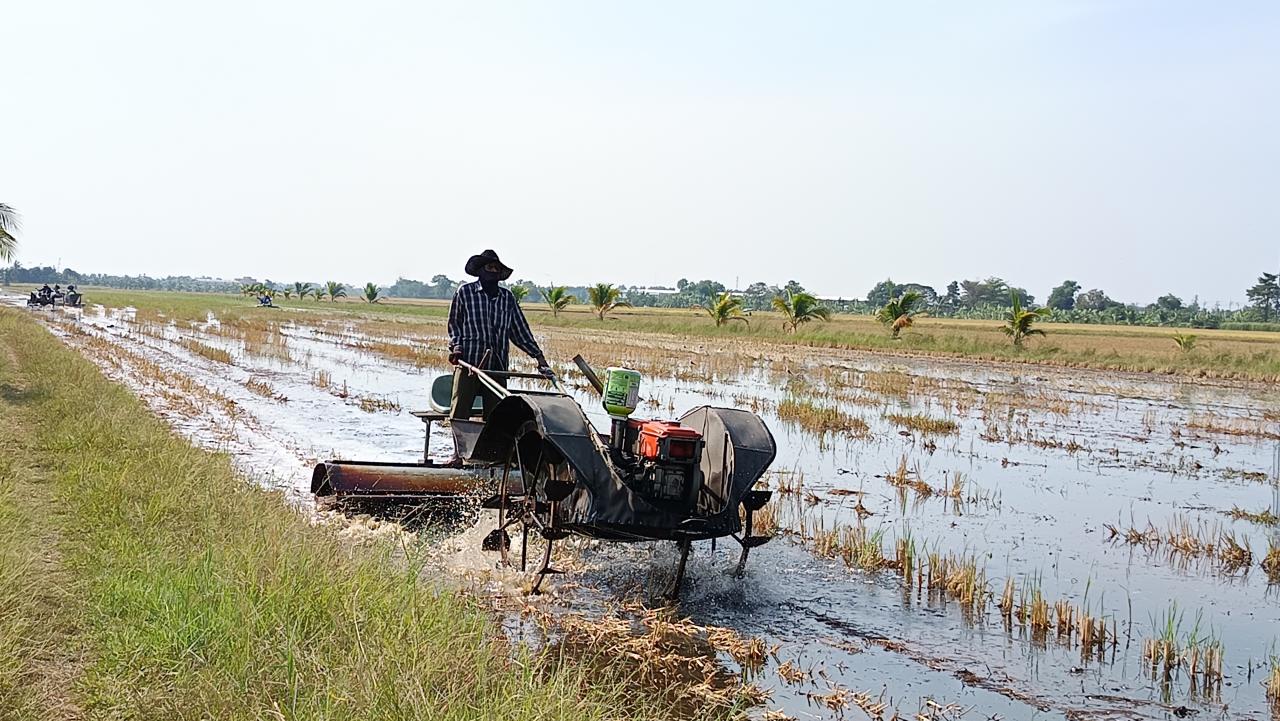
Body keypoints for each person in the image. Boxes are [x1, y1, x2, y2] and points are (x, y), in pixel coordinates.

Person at [446, 249, 549, 420]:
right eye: (489, 267)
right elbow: (454, 324)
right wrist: (456, 347)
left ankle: (490, 447)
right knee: (459, 414)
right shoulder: (465, 293)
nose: (493, 271)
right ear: (480, 271)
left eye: (496, 269)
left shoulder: (507, 298)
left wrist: (538, 356)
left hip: (497, 366)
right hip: (469, 364)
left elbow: (520, 331)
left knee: (496, 417)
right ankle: (460, 444)